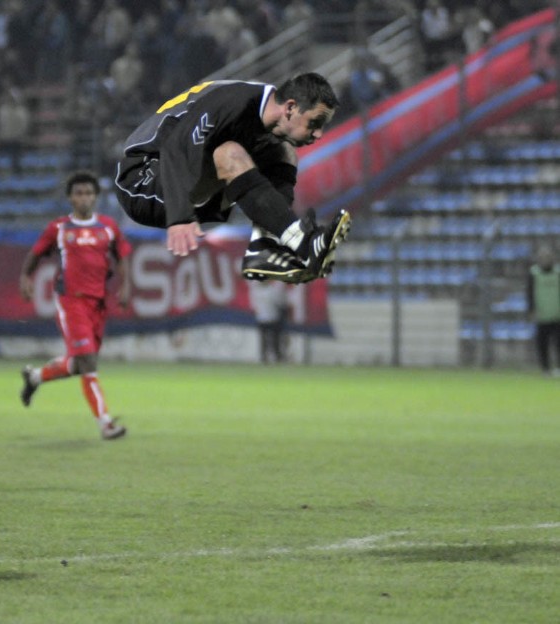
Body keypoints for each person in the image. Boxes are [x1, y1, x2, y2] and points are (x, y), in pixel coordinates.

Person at [114, 73, 351, 285]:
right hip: (141, 180)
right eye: (315, 123)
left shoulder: (260, 113)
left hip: (186, 181)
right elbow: (176, 148)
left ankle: (264, 248)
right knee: (229, 152)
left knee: (284, 152)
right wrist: (179, 217)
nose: (319, 134)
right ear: (290, 108)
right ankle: (302, 242)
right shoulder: (232, 102)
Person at [20, 171, 131, 440]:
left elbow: (122, 256)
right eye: (79, 193)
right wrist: (26, 277)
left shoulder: (108, 227)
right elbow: (35, 254)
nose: (84, 198)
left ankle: (36, 377)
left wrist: (125, 286)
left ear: (96, 197)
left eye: (89, 193)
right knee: (88, 362)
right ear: (70, 197)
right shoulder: (59, 228)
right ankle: (105, 423)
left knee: (80, 364)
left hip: (98, 303)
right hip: (71, 301)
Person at [527, 245, 560, 376]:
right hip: (542, 314)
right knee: (542, 344)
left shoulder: (558, 272)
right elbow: (529, 292)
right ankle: (545, 368)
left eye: (548, 256)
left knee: (558, 343)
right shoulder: (534, 273)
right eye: (543, 257)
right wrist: (531, 310)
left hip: (557, 314)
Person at [248, 280, 290, 364]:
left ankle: (264, 357)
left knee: (264, 339)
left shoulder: (256, 292)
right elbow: (279, 302)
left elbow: (254, 306)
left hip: (262, 318)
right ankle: (276, 357)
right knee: (274, 339)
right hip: (273, 317)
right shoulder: (272, 291)